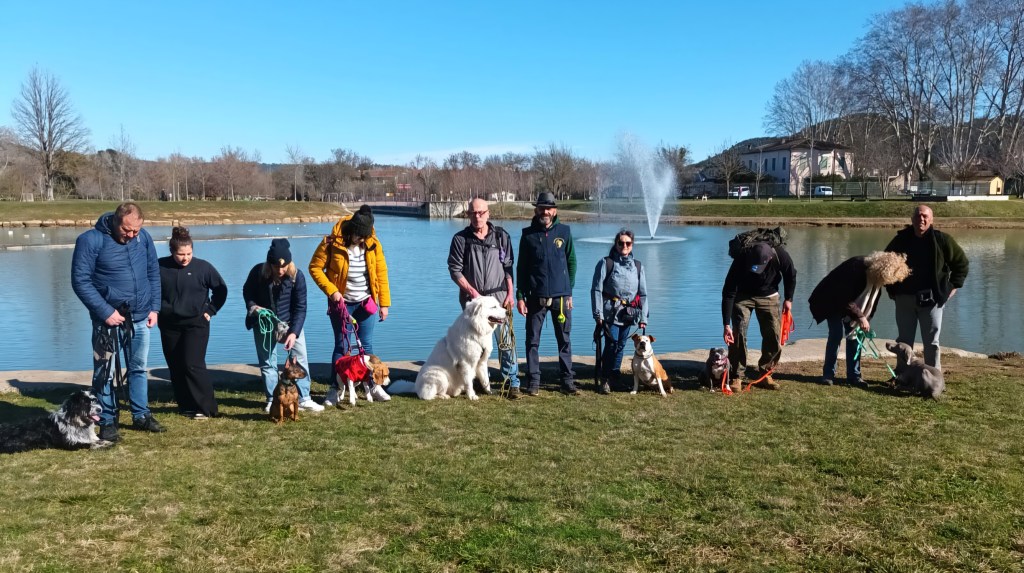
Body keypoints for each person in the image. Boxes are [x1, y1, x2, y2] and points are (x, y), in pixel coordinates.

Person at [71, 201, 164, 442]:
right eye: (126, 230)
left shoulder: (143, 238)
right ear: (115, 220)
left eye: (136, 230)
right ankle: (107, 420)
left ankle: (141, 415)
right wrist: (105, 311)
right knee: (105, 372)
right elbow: (80, 281)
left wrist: (154, 307)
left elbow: (153, 272)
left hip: (140, 317)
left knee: (138, 368)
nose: (131, 235)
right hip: (107, 321)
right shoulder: (90, 240)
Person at [308, 204, 391, 406]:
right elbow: (315, 268)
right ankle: (335, 388)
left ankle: (373, 385)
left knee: (366, 346)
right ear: (352, 230)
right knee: (342, 346)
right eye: (358, 236)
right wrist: (332, 291)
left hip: (366, 303)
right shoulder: (331, 242)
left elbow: (381, 273)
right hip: (341, 304)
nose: (361, 240)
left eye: (364, 237)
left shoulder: (373, 243)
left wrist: (384, 303)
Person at [447, 197, 518, 396]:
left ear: (488, 213)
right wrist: (472, 293)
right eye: (473, 213)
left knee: (506, 342)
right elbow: (455, 270)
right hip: (474, 303)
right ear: (468, 215)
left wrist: (510, 293)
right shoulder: (460, 239)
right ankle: (478, 381)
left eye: (481, 212)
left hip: (499, 298)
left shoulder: (501, 237)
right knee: (474, 343)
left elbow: (508, 267)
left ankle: (511, 381)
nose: (477, 216)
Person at [884, 204, 969, 370]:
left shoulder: (942, 240)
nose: (921, 219)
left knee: (931, 343)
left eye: (925, 216)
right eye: (918, 216)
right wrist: (892, 290)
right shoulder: (900, 239)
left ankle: (933, 376)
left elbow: (962, 264)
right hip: (904, 300)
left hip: (932, 301)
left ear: (931, 219)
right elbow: (885, 262)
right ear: (912, 219)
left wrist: (951, 288)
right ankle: (902, 375)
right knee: (903, 342)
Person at [808, 251, 911, 386]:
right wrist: (861, 317)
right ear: (882, 270)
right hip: (831, 300)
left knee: (856, 337)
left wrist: (865, 321)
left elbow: (871, 305)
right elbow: (844, 297)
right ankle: (828, 374)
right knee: (836, 334)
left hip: (848, 304)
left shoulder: (876, 280)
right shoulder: (855, 268)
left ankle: (854, 376)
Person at [244, 238, 323, 413]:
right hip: (264, 323)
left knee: (300, 358)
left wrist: (294, 333)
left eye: (284, 266)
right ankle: (273, 400)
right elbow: (247, 292)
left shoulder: (297, 277)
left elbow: (300, 308)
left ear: (289, 262)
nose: (280, 270)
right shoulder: (258, 272)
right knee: (268, 363)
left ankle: (304, 398)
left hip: (289, 324)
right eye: (275, 266)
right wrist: (253, 307)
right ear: (269, 263)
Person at [158, 227, 228, 418]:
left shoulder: (203, 267)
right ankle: (186, 405)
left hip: (196, 323)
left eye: (189, 253)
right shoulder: (160, 267)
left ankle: (207, 408)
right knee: (176, 365)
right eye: (181, 254)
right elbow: (151, 291)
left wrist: (210, 310)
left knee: (192, 364)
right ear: (172, 251)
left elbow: (221, 290)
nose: (185, 258)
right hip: (169, 324)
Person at [516, 192, 578, 396]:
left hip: (561, 298)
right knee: (532, 341)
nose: (545, 212)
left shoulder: (565, 232)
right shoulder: (527, 235)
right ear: (536, 210)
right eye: (542, 208)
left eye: (549, 208)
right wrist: (520, 296)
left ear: (555, 210)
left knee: (564, 340)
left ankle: (567, 381)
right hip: (535, 297)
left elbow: (571, 262)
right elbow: (521, 268)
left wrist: (568, 291)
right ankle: (533, 381)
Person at [721, 241, 797, 391]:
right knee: (738, 333)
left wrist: (789, 299)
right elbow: (728, 291)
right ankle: (736, 375)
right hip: (743, 295)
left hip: (769, 295)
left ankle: (766, 373)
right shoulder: (742, 258)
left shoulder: (780, 255)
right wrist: (726, 324)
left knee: (773, 334)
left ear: (770, 258)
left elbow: (791, 274)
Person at [590, 228, 648, 394]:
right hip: (610, 313)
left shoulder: (638, 266)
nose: (624, 246)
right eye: (621, 243)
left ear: (632, 245)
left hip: (629, 314)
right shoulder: (606, 263)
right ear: (615, 244)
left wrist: (643, 316)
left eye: (628, 243)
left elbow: (643, 294)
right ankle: (605, 379)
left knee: (621, 345)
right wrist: (598, 313)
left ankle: (615, 378)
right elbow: (596, 290)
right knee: (612, 344)